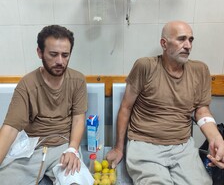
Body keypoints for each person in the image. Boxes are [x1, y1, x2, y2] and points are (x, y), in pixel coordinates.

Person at [106, 21, 224, 184]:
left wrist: (216, 138)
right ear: (164, 43)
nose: (188, 45)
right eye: (181, 39)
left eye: (191, 40)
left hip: (182, 147)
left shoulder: (200, 70)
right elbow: (126, 107)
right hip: (145, 144)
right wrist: (119, 148)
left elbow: (202, 112)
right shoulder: (145, 66)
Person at [0, 25, 88, 184]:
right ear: (40, 52)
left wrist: (72, 149)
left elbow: (78, 120)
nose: (60, 61)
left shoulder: (78, 81)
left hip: (64, 144)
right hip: (33, 147)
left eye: (65, 55)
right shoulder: (27, 84)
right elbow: (10, 128)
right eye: (53, 54)